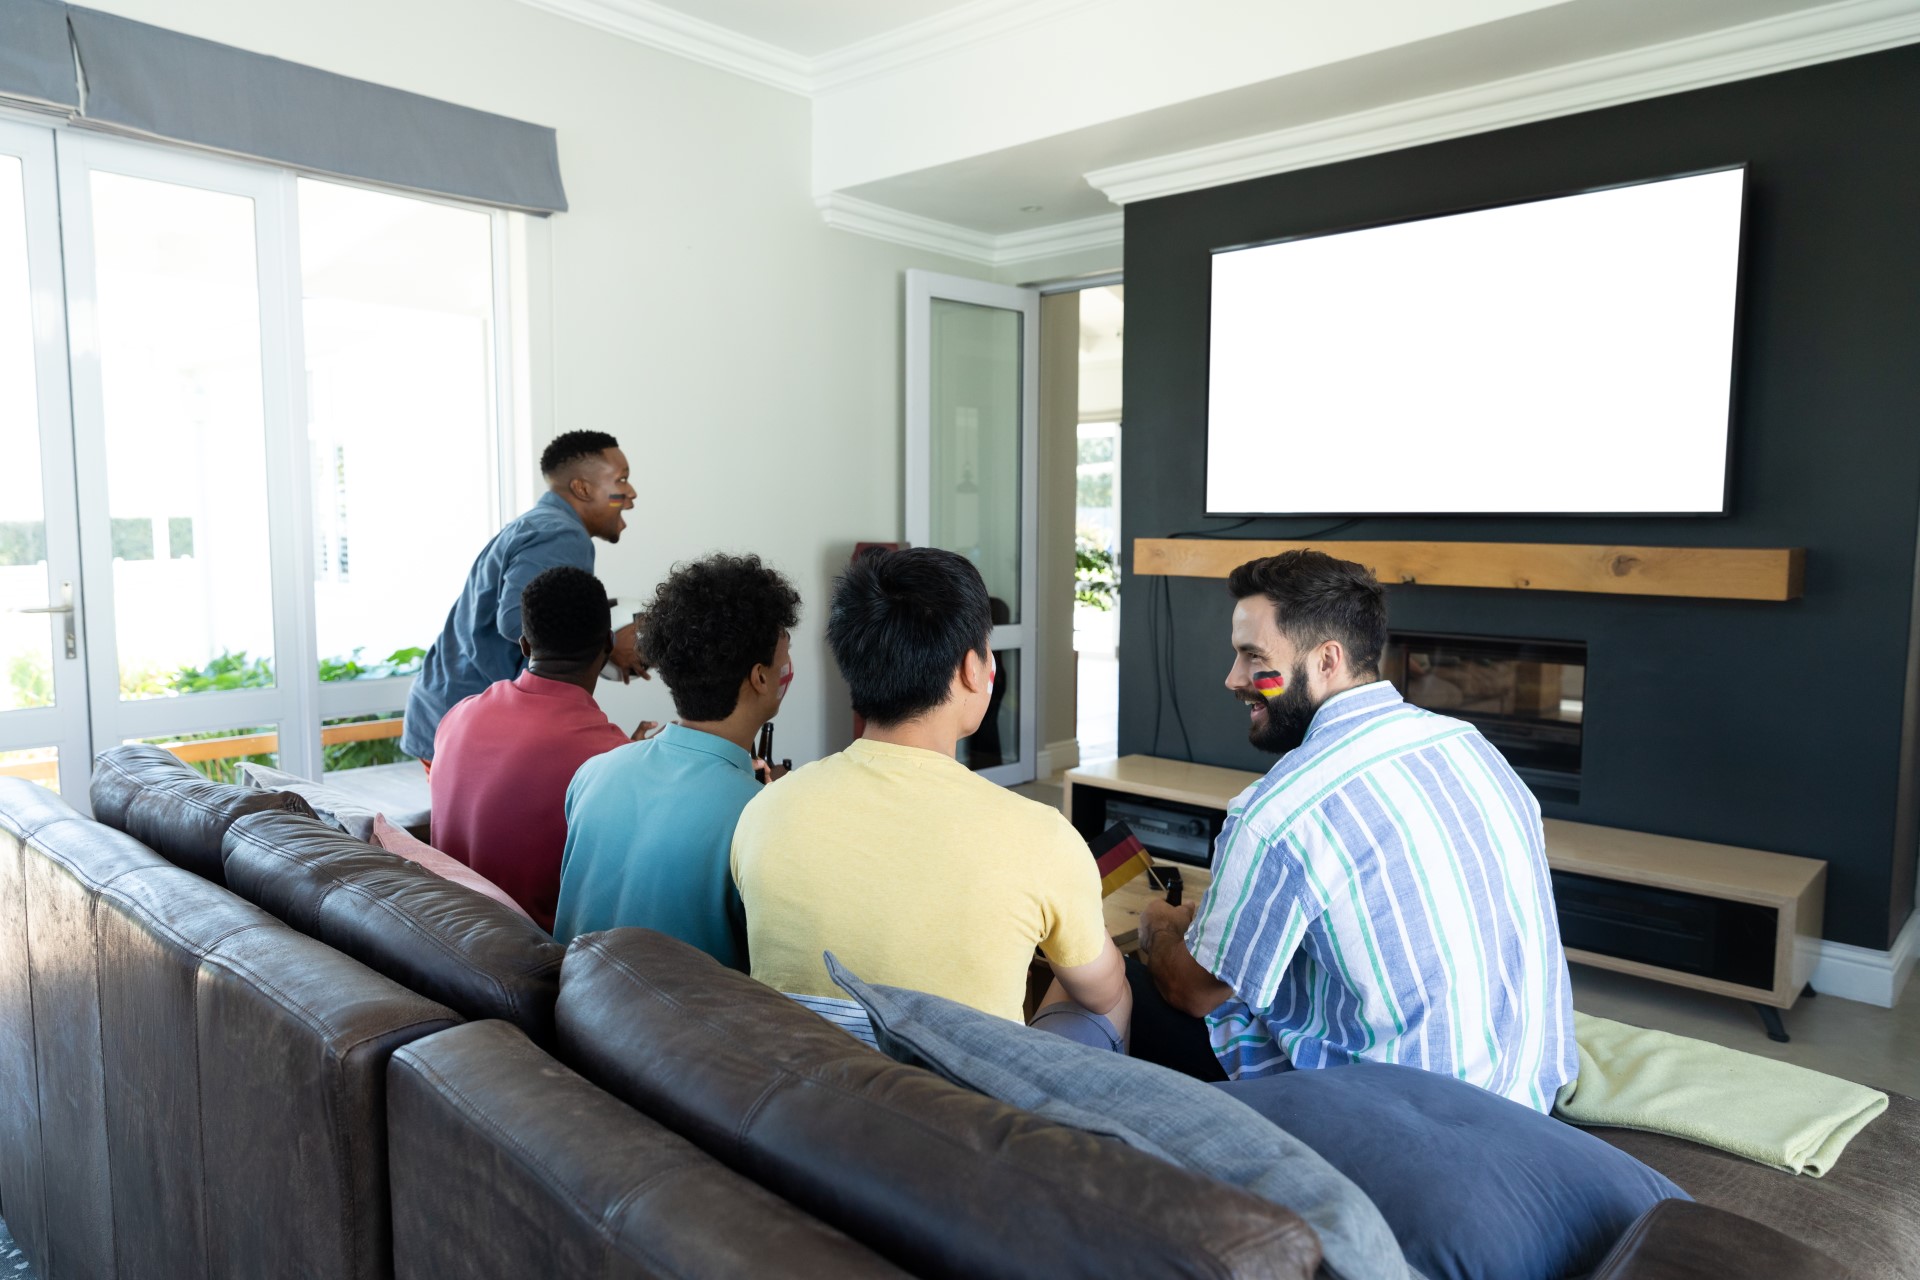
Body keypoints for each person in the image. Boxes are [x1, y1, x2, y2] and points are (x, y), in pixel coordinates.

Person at [1135, 549, 1577, 1112]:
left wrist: (1161, 929)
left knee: (1125, 984)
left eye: (1252, 657)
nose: (1233, 679)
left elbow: (1194, 993)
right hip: (1525, 1094)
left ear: (1326, 661)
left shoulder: (1279, 813)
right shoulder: (1469, 745)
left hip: (1402, 1120)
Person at [731, 547, 1131, 1041]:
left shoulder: (765, 810)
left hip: (806, 1097)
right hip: (963, 1112)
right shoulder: (1041, 835)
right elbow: (1102, 992)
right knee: (1106, 990)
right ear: (972, 667)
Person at [552, 553, 801, 965]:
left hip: (575, 1015)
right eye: (783, 658)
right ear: (760, 678)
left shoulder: (594, 773)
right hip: (685, 1027)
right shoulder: (760, 815)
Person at [401, 430, 647, 763]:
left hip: (450, 714)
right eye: (621, 480)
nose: (630, 493)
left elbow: (542, 610)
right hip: (464, 724)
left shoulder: (541, 524)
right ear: (583, 488)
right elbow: (516, 618)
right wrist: (606, 645)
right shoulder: (563, 535)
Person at [428, 566, 634, 929]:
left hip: (448, 938)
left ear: (524, 644)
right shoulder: (610, 757)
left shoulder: (458, 716)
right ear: (608, 644)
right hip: (540, 961)